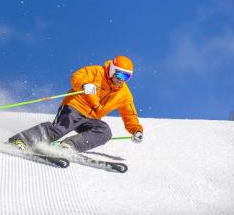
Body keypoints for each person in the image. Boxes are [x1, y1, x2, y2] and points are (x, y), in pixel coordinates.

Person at [8, 55, 144, 154]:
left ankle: (68, 146)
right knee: (59, 130)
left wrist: (136, 130)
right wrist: (84, 84)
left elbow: (129, 114)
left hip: (92, 118)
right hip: (75, 107)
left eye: (126, 77)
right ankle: (21, 140)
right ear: (112, 70)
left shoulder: (124, 94)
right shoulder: (97, 72)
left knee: (104, 132)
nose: (121, 80)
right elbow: (77, 76)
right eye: (119, 74)